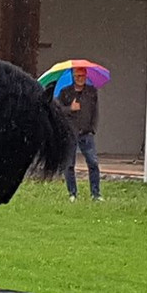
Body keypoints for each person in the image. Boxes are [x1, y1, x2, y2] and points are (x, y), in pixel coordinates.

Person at [58, 67, 102, 201]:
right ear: (73, 76)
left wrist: (93, 128)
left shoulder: (91, 92)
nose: (80, 78)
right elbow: (57, 110)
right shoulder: (65, 92)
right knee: (69, 164)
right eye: (77, 76)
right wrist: (70, 109)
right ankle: (72, 194)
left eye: (82, 76)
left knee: (93, 163)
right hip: (70, 133)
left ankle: (95, 194)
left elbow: (95, 112)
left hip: (86, 133)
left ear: (86, 76)